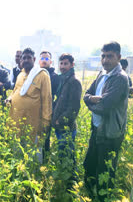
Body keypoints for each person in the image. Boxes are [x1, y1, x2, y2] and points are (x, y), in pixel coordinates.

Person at [83, 42, 129, 201]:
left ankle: (103, 198)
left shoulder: (120, 78)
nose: (105, 60)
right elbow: (87, 94)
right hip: (97, 128)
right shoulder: (102, 74)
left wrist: (90, 102)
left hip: (110, 133)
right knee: (89, 167)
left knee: (105, 173)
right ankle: (90, 196)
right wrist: (91, 99)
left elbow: (105, 107)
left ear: (119, 57)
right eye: (103, 56)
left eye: (110, 56)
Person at [6, 47, 52, 163]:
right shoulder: (20, 75)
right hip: (17, 119)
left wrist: (46, 121)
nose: (26, 60)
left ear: (34, 59)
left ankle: (34, 175)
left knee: (33, 152)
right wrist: (9, 98)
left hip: (33, 122)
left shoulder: (42, 75)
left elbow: (47, 99)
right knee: (18, 149)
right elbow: (15, 91)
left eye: (29, 58)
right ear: (21, 60)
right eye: (24, 58)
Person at [51, 53, 82, 188]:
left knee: (69, 156)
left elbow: (74, 108)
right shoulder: (63, 80)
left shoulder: (74, 82)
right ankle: (65, 180)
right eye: (61, 63)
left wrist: (59, 121)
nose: (62, 66)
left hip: (66, 127)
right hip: (60, 126)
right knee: (63, 154)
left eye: (66, 64)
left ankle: (71, 184)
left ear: (72, 65)